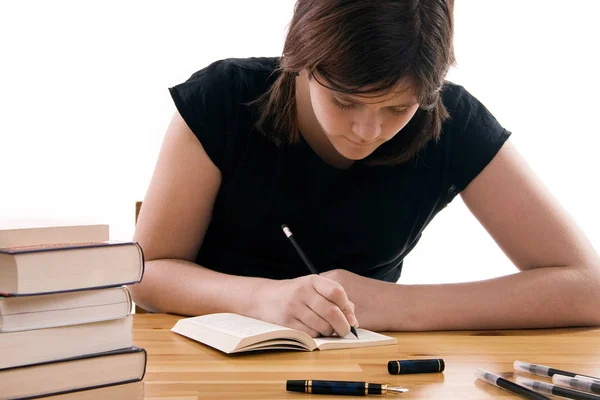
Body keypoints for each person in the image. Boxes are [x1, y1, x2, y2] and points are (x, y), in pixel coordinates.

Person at [130, 0, 600, 337]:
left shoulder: (451, 121)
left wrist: (398, 306)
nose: (368, 130)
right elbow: (145, 273)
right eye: (344, 101)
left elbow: (588, 287)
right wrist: (262, 298)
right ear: (301, 60)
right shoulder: (224, 99)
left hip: (360, 368)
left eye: (399, 109)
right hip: (200, 368)